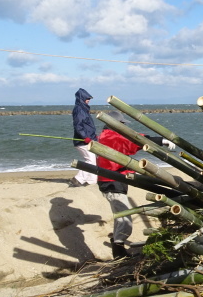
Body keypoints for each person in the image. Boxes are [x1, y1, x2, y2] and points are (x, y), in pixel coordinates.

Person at [96, 111, 174, 259]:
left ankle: (118, 249)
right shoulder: (110, 136)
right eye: (122, 125)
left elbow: (130, 141)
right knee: (125, 219)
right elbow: (133, 141)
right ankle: (118, 250)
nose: (124, 127)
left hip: (114, 180)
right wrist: (161, 141)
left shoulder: (108, 135)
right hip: (111, 182)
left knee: (121, 217)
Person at [71, 88, 98, 187]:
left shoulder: (84, 109)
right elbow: (78, 125)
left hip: (89, 139)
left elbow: (88, 125)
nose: (88, 100)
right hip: (82, 141)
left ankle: (91, 181)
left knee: (92, 160)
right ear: (82, 98)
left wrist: (94, 137)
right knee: (90, 160)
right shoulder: (79, 109)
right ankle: (78, 179)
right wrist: (85, 137)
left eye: (89, 98)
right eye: (87, 98)